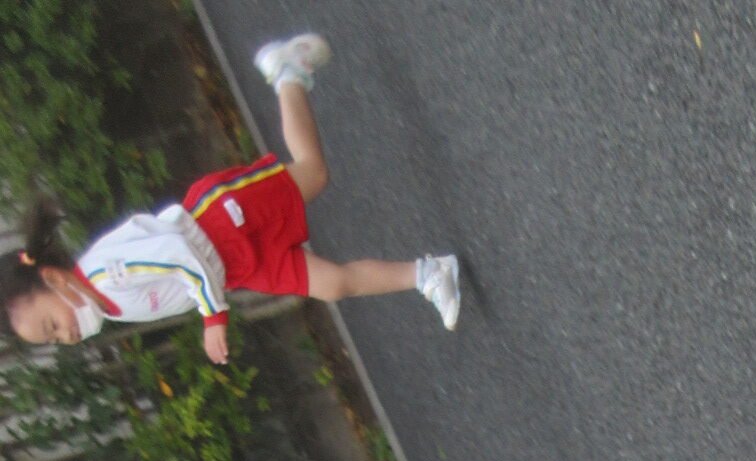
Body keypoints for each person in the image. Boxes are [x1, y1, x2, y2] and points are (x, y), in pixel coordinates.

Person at [0, 33, 459, 363]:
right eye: (54, 339)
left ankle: (289, 73)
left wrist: (213, 317)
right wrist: (214, 302)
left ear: (55, 280)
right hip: (235, 265)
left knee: (313, 173)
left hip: (223, 223)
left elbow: (177, 253)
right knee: (333, 285)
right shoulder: (108, 304)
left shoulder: (106, 274)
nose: (66, 335)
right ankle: (431, 273)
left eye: (52, 324)